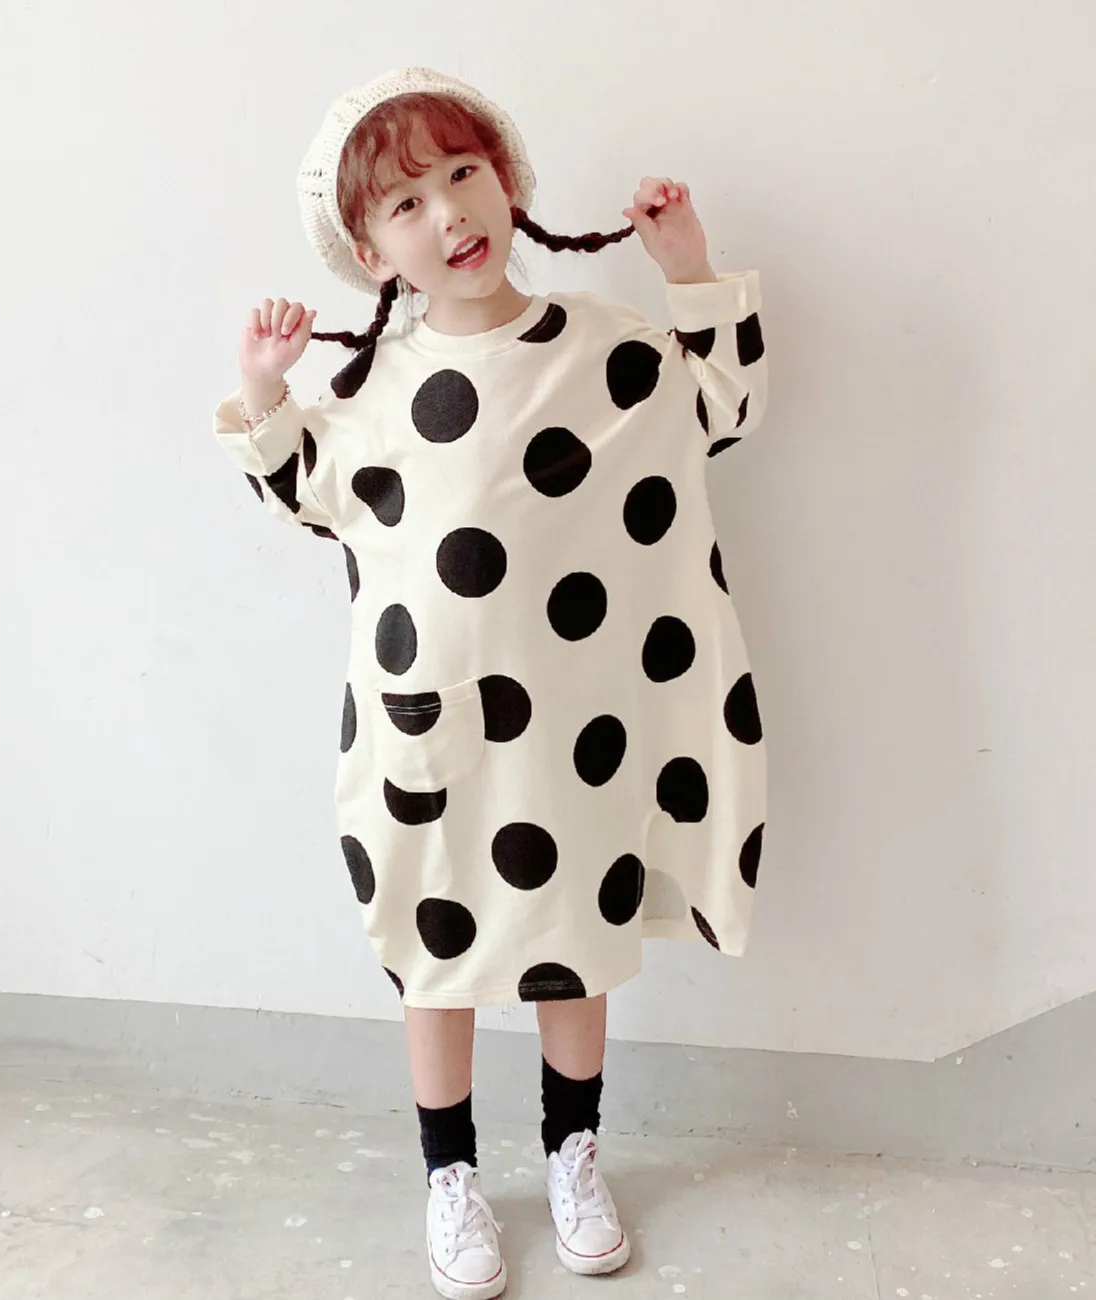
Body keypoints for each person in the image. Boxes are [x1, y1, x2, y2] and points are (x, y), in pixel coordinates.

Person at [213, 66, 769, 1300]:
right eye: (406, 202)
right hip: (434, 731)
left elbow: (719, 402)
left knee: (576, 937)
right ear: (370, 251)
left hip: (578, 728)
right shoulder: (367, 392)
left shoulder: (603, 351)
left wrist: (685, 265)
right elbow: (297, 486)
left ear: (507, 181)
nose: (449, 212)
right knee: (438, 948)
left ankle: (574, 1152)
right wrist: (263, 390)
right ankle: (449, 1172)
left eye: (463, 174)